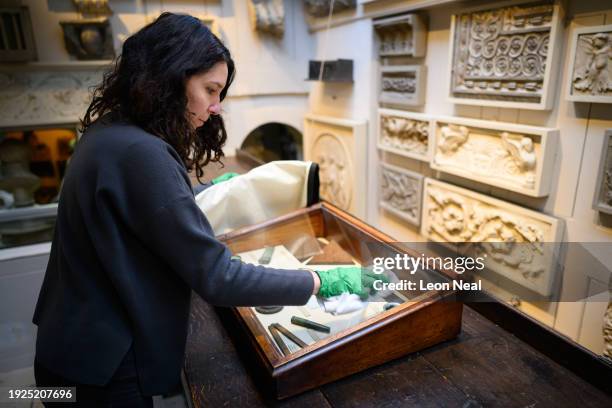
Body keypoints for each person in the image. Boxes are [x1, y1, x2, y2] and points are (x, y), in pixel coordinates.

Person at [32, 12, 373, 407]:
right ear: (170, 78)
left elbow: (133, 216)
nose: (215, 107)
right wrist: (320, 282)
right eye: (210, 90)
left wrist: (195, 194)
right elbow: (217, 278)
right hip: (100, 369)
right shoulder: (141, 152)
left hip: (69, 351)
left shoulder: (111, 133)